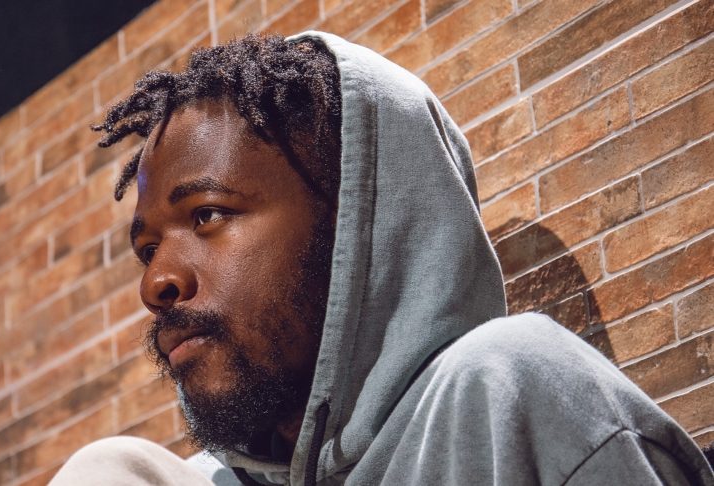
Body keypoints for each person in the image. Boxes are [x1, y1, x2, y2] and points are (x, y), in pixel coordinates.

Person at [50, 31, 713, 485]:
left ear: (356, 223)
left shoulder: (498, 400)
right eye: (147, 250)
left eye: (207, 215)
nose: (157, 282)